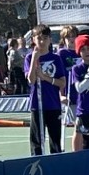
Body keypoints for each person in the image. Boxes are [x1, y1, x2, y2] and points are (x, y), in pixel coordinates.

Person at [23, 25, 65, 155]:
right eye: (39, 38)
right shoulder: (29, 58)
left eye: (45, 38)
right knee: (37, 141)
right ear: (33, 40)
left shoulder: (56, 59)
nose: (42, 41)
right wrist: (34, 59)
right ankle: (37, 163)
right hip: (37, 105)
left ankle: (55, 163)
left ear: (50, 40)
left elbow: (62, 83)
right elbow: (31, 80)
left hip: (53, 105)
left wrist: (45, 77)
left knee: (55, 140)